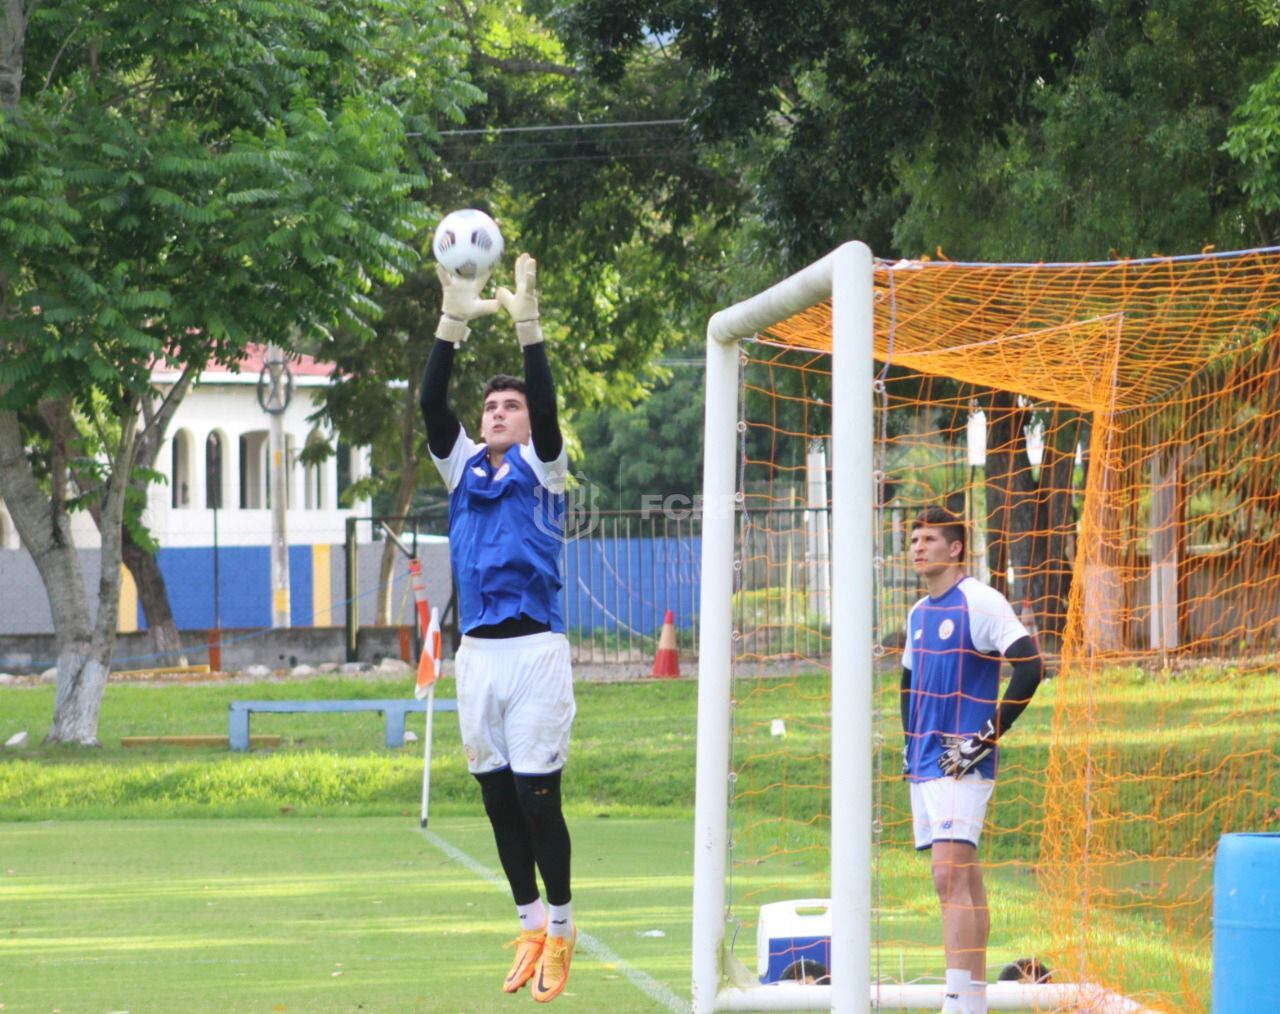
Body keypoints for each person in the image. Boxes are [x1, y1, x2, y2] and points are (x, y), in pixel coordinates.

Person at [420, 250, 577, 1003]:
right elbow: (428, 405)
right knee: (494, 796)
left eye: (508, 407)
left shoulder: (544, 466)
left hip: (536, 652)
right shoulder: (462, 469)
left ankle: (566, 929)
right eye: (491, 409)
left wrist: (529, 333)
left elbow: (545, 412)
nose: (498, 414)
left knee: (538, 796)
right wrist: (451, 321)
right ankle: (528, 921)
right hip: (477, 657)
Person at [901, 506, 1044, 1014]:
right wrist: (907, 740)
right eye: (914, 538)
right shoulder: (918, 613)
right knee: (964, 875)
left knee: (949, 875)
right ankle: (975, 1000)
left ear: (956, 548)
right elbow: (908, 679)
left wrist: (984, 738)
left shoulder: (981, 602)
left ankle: (957, 1002)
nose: (918, 546)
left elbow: (1030, 667)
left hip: (961, 760)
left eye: (930, 538)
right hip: (923, 761)